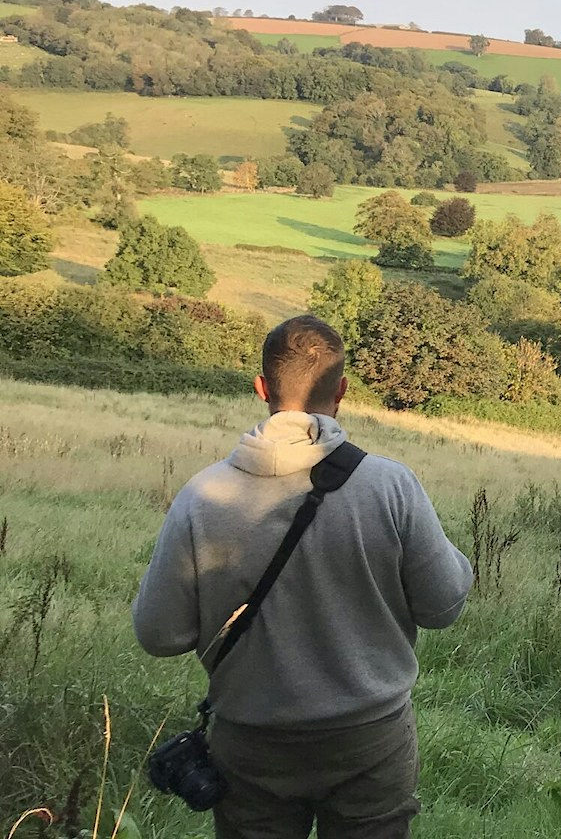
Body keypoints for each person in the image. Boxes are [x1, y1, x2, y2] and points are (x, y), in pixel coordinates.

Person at [133, 314, 474, 839]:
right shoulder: (390, 486)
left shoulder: (200, 499)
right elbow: (442, 606)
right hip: (371, 742)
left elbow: (158, 636)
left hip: (250, 744)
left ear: (262, 388)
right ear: (342, 391)